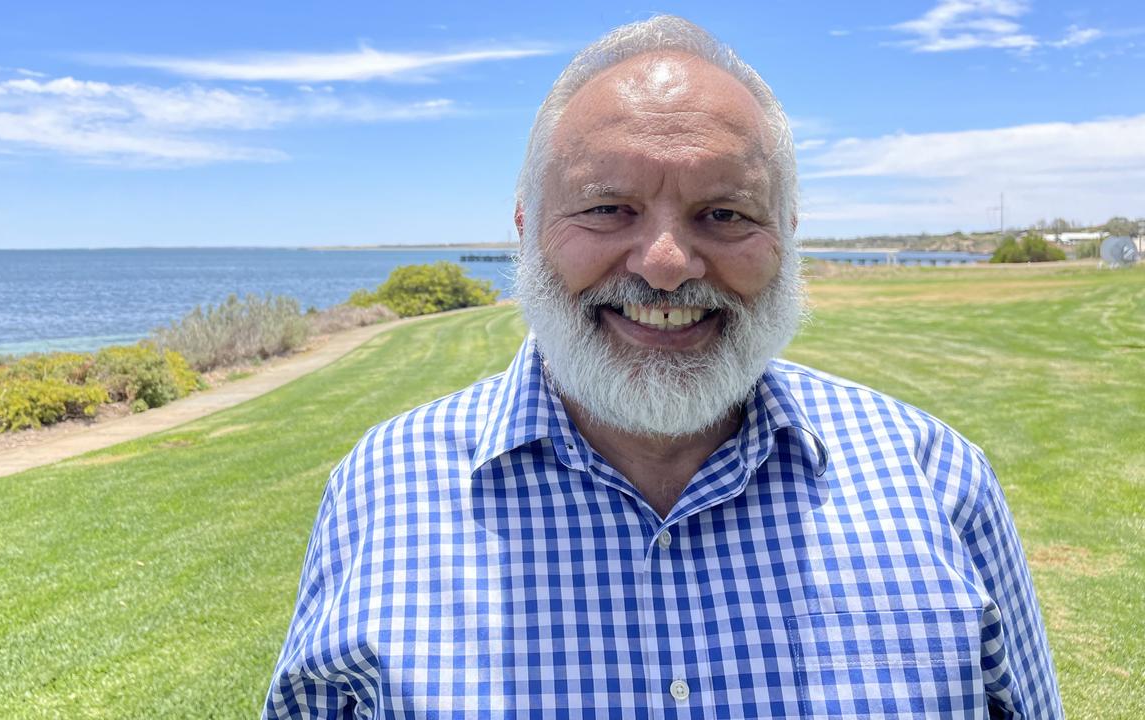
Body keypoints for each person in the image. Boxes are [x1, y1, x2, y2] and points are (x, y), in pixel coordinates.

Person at [263, 15, 1062, 719]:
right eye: (609, 208)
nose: (668, 263)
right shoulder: (383, 488)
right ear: (527, 227)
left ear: (785, 234)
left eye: (725, 213)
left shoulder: (936, 481)